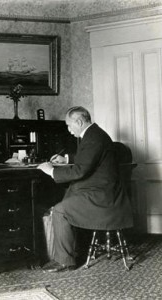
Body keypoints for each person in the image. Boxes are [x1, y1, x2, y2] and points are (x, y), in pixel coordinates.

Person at [37, 106, 133, 272]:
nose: (68, 129)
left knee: (60, 210)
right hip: (105, 192)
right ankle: (71, 251)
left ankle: (65, 261)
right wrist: (67, 158)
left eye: (69, 125)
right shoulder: (95, 134)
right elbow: (90, 157)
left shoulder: (93, 138)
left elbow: (80, 170)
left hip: (103, 199)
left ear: (79, 122)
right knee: (67, 197)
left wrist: (50, 170)